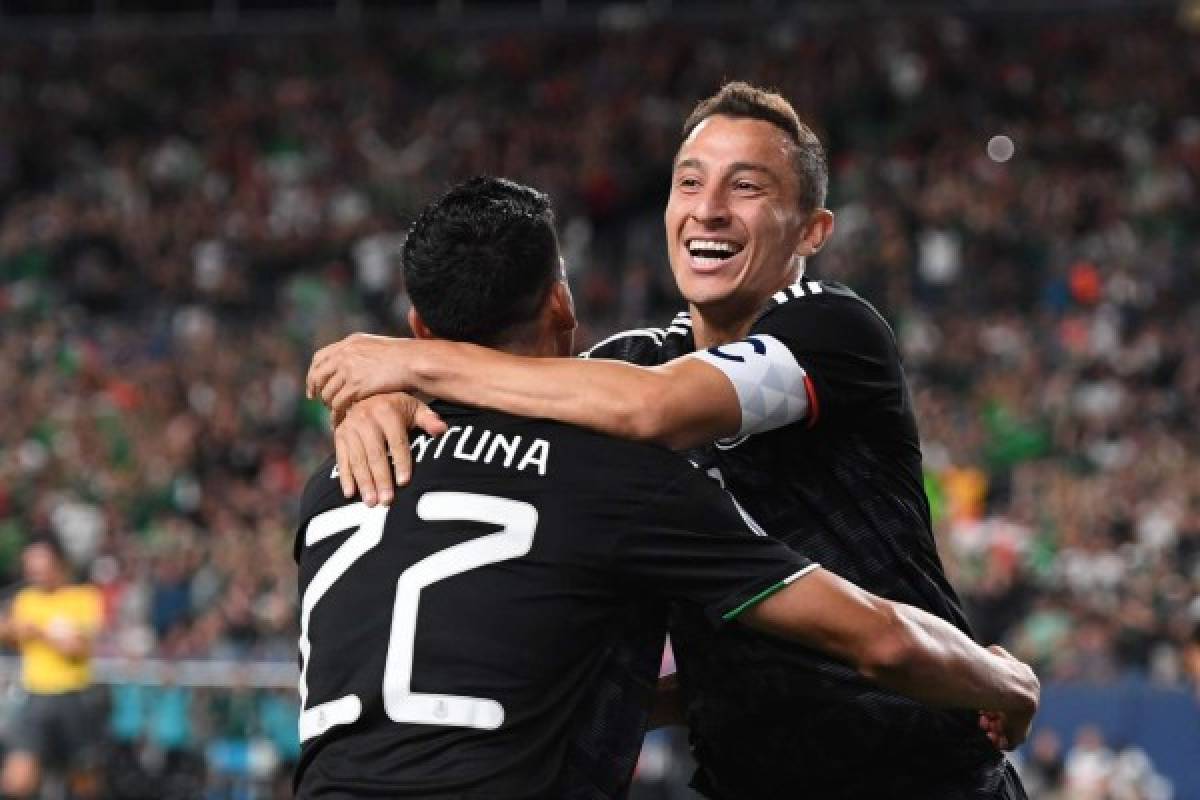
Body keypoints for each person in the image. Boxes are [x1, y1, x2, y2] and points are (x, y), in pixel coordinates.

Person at [306, 83, 1031, 798]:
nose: (708, 207)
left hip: (914, 776)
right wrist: (380, 403)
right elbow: (508, 404)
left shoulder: (835, 332)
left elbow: (662, 410)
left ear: (812, 230)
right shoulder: (625, 370)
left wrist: (409, 364)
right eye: (690, 182)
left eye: (746, 186)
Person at [0, 536, 104, 799]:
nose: (32, 571)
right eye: (28, 564)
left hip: (74, 698)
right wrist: (11, 627)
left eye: (38, 563)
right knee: (17, 781)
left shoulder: (84, 597)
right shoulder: (24, 599)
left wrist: (39, 631)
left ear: (58, 562)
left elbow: (78, 648)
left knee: (84, 783)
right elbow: (9, 634)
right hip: (35, 696)